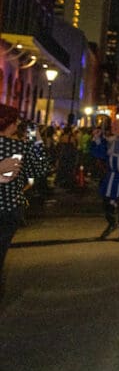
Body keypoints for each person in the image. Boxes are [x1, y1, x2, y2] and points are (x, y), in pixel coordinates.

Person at [0, 103, 47, 297]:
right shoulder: (19, 147)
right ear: (12, 124)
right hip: (9, 208)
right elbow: (40, 169)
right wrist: (36, 140)